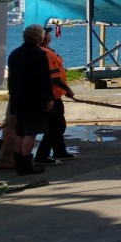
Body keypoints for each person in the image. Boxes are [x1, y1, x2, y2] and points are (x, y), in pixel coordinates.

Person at [6, 24, 54, 175]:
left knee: (20, 132)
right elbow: (43, 79)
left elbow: (12, 78)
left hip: (17, 98)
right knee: (30, 133)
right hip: (34, 99)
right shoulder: (39, 55)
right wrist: (49, 98)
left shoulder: (14, 53)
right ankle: (27, 163)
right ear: (39, 38)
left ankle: (19, 161)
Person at [34, 25, 77, 164]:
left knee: (56, 125)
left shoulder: (42, 51)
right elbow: (55, 77)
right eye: (47, 33)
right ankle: (42, 155)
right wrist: (68, 89)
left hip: (53, 94)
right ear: (43, 37)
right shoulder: (46, 53)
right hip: (51, 95)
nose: (49, 35)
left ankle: (60, 151)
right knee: (57, 126)